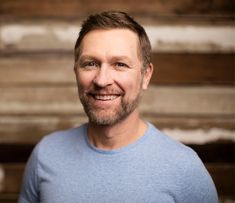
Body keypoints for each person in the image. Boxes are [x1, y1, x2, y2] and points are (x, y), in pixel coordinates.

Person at [18, 11, 218, 203]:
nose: (102, 80)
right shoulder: (46, 154)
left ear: (145, 76)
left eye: (120, 64)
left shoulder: (185, 168)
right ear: (76, 71)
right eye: (90, 63)